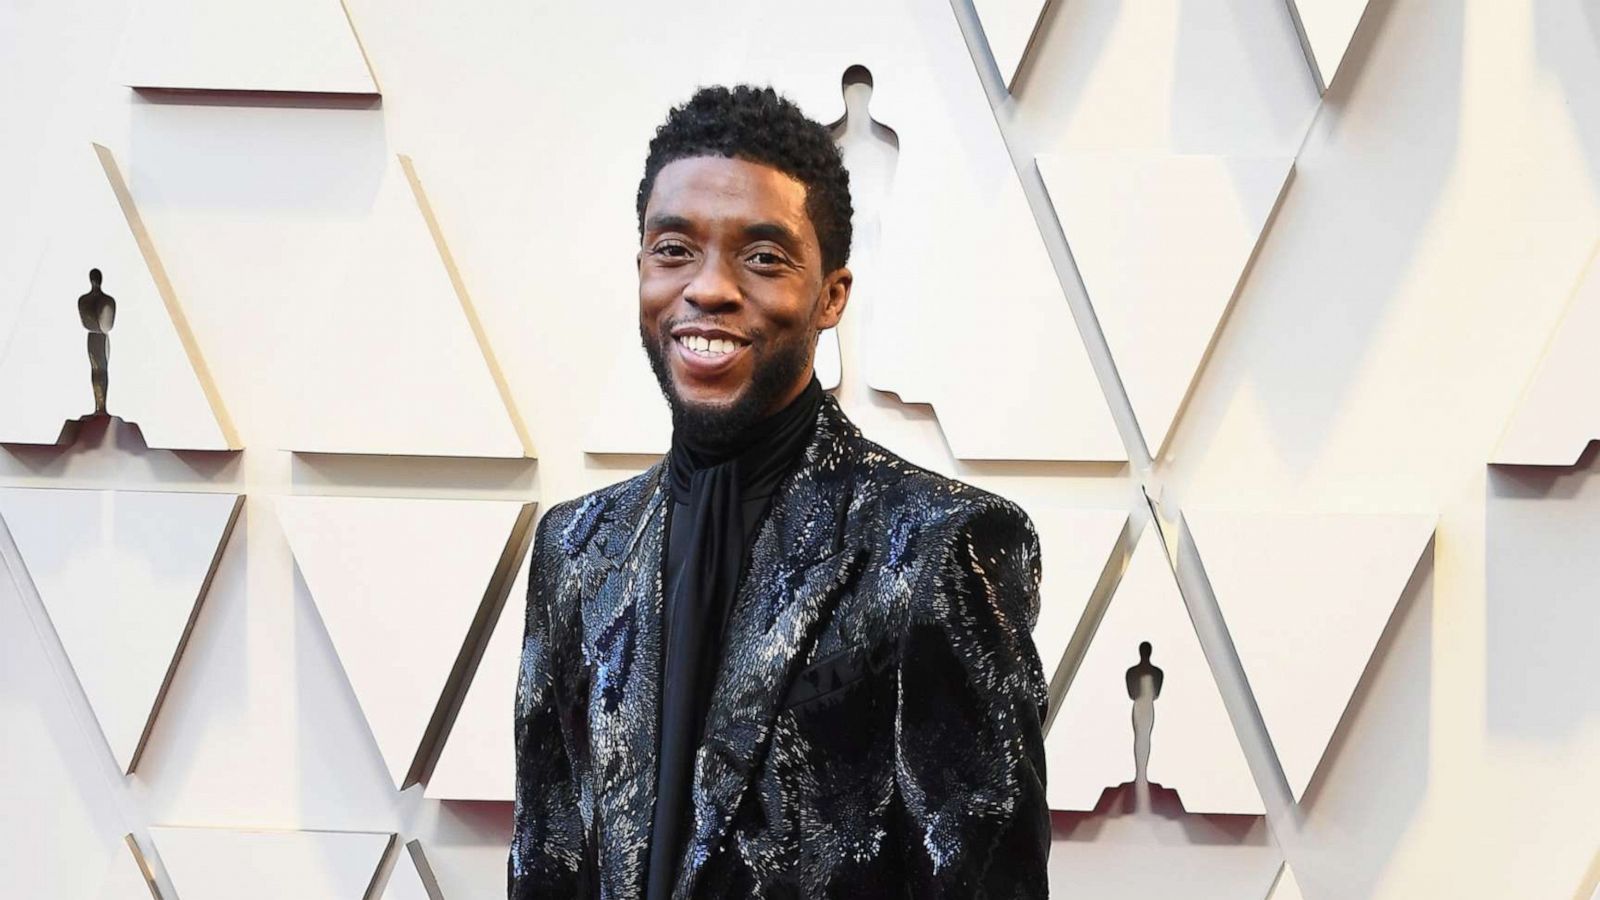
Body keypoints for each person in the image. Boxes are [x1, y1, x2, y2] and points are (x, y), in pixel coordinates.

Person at [509, 84, 1050, 899]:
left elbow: (986, 881)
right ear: (642, 270)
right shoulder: (574, 547)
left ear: (831, 295)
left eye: (762, 257)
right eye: (674, 249)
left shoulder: (943, 545)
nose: (709, 288)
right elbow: (545, 862)